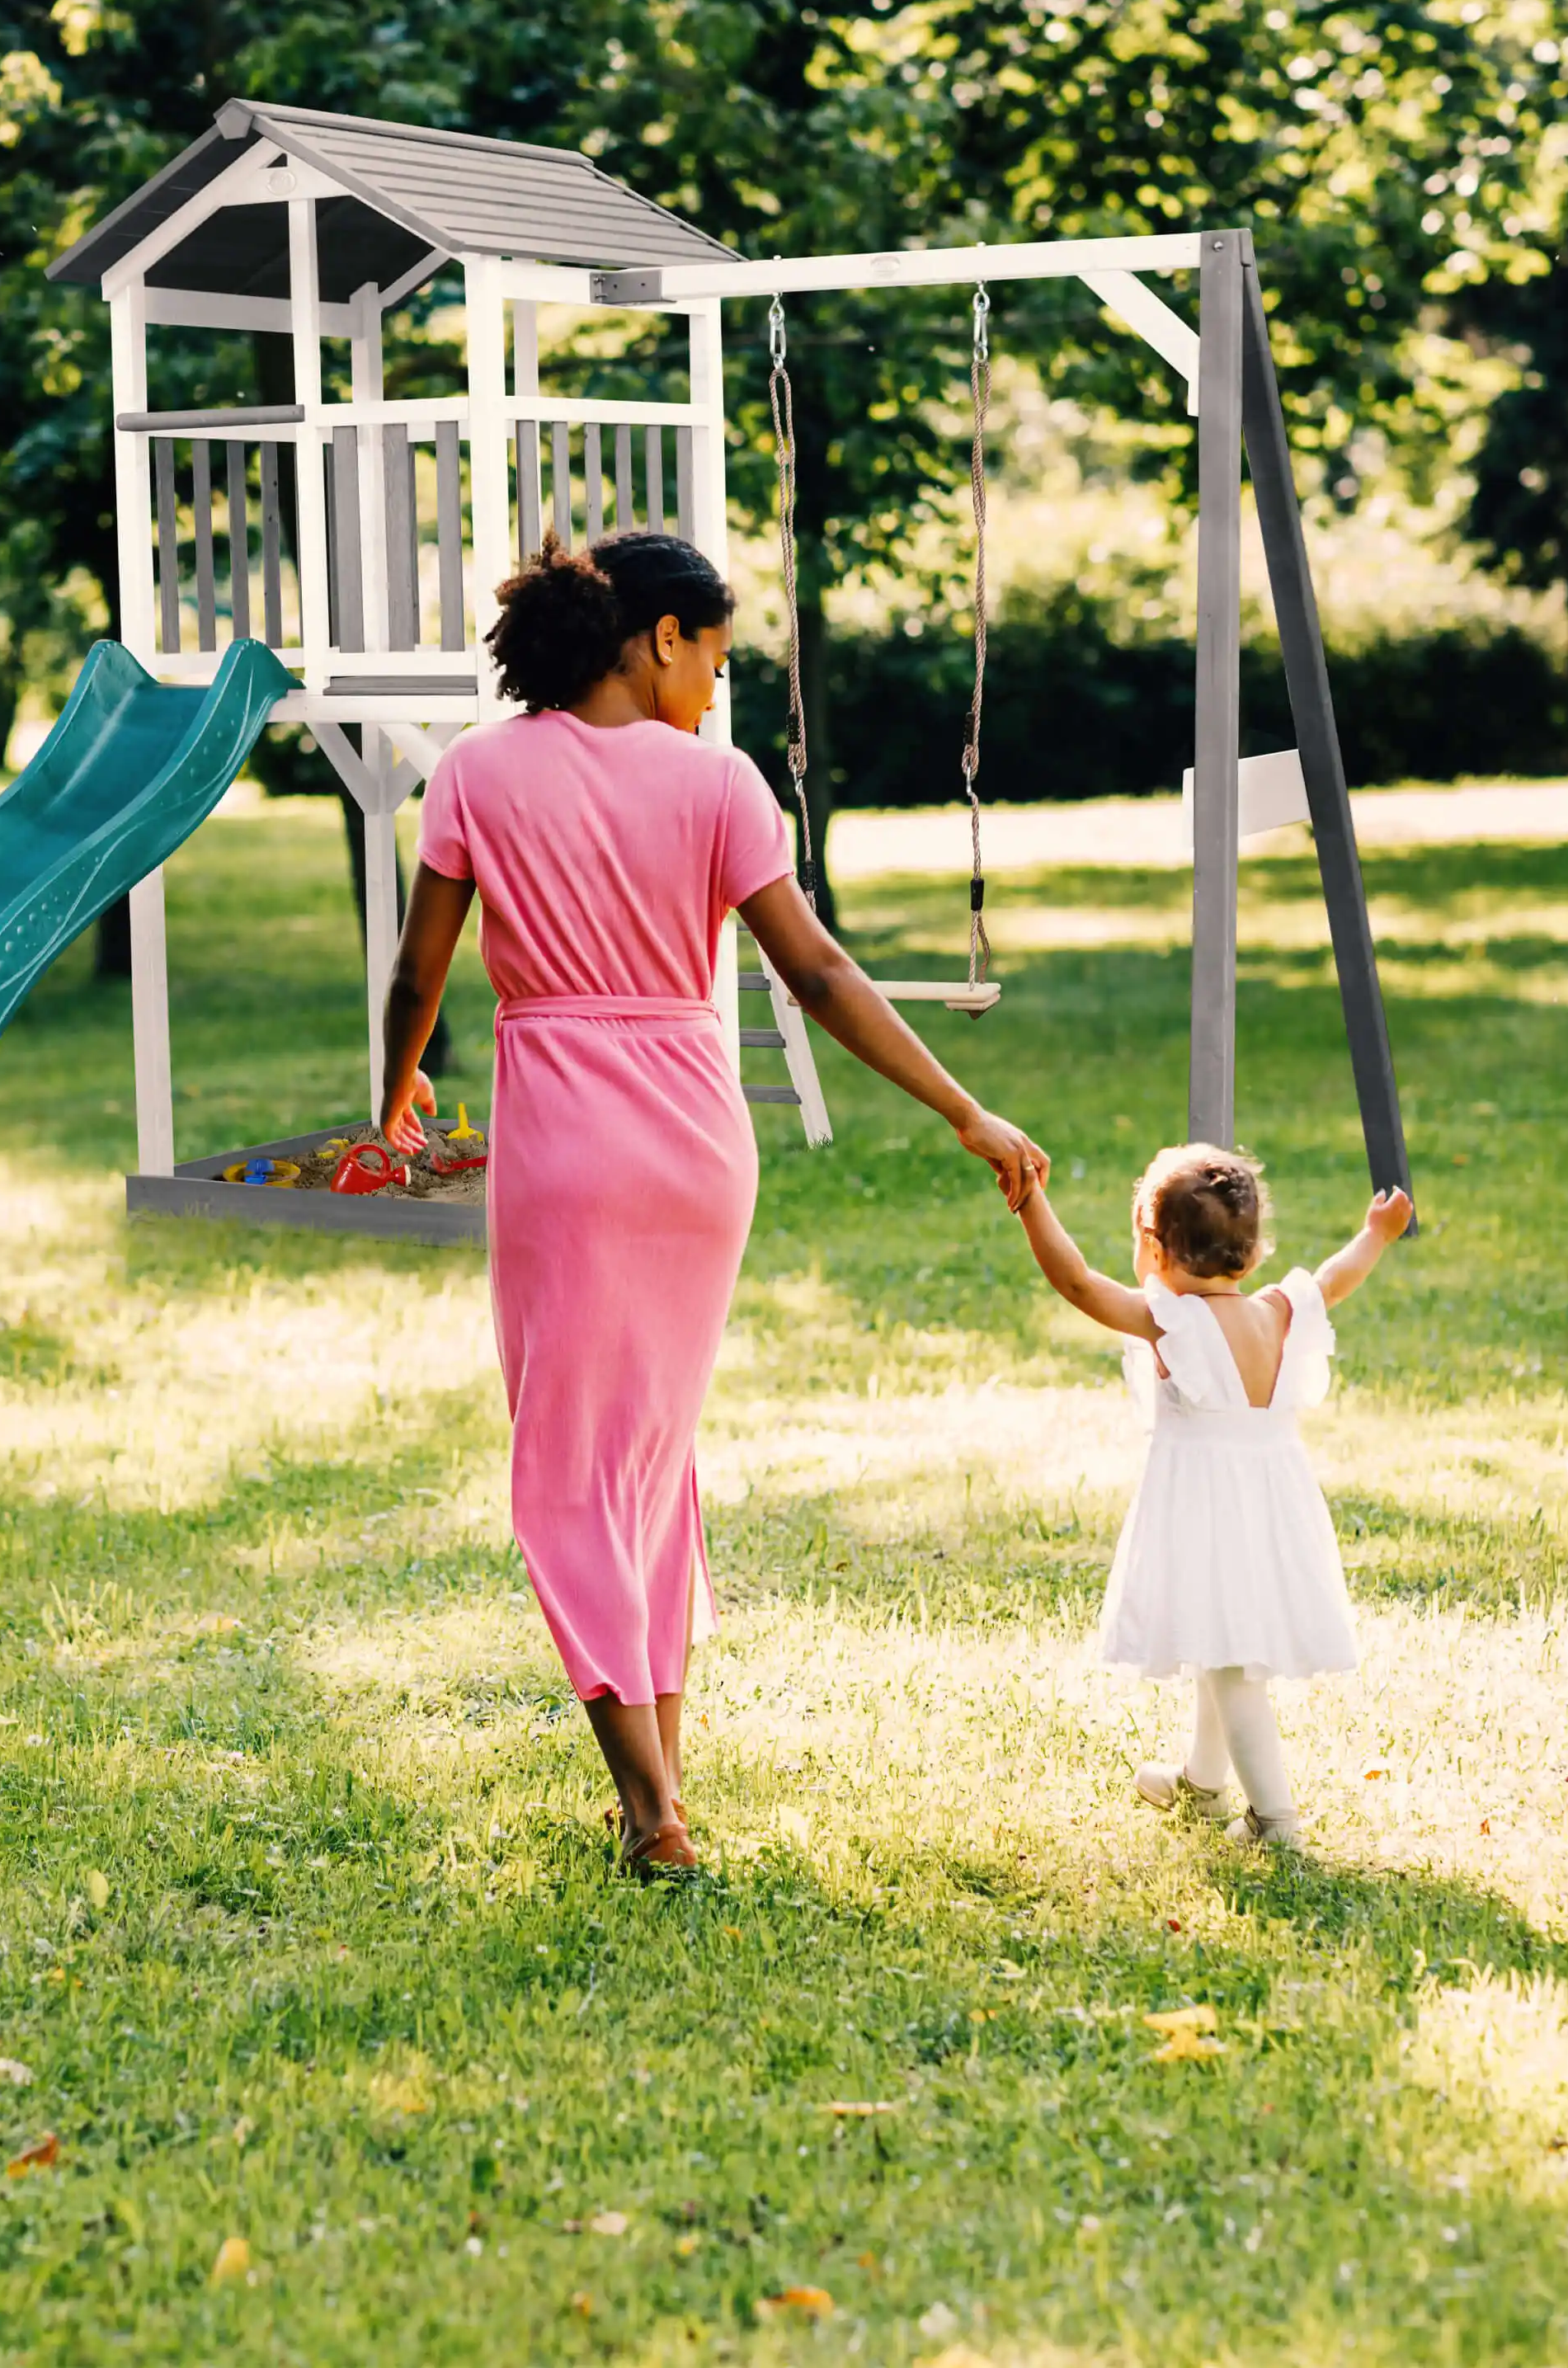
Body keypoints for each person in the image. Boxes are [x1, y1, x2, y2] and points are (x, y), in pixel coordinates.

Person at [377, 532, 1047, 1877]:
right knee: (648, 1459)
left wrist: (391, 1098)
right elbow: (819, 974)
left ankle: (649, 1810)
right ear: (659, 637)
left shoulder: (477, 773)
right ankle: (662, 1787)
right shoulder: (720, 786)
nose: (716, 690)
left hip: (564, 1143)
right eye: (716, 660)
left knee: (570, 1470)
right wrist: (962, 1108)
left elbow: (420, 974)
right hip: (695, 1144)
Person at [1012, 1142, 1415, 1847]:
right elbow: (1335, 1277)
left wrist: (1030, 1200)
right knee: (1215, 1639)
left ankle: (1275, 1822)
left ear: (1155, 1250)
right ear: (1253, 1253)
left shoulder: (1173, 1323)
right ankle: (1202, 1783)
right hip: (1271, 1508)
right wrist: (1375, 1234)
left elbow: (1076, 1282)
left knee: (1231, 1668)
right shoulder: (1280, 1311)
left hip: (1207, 1513)